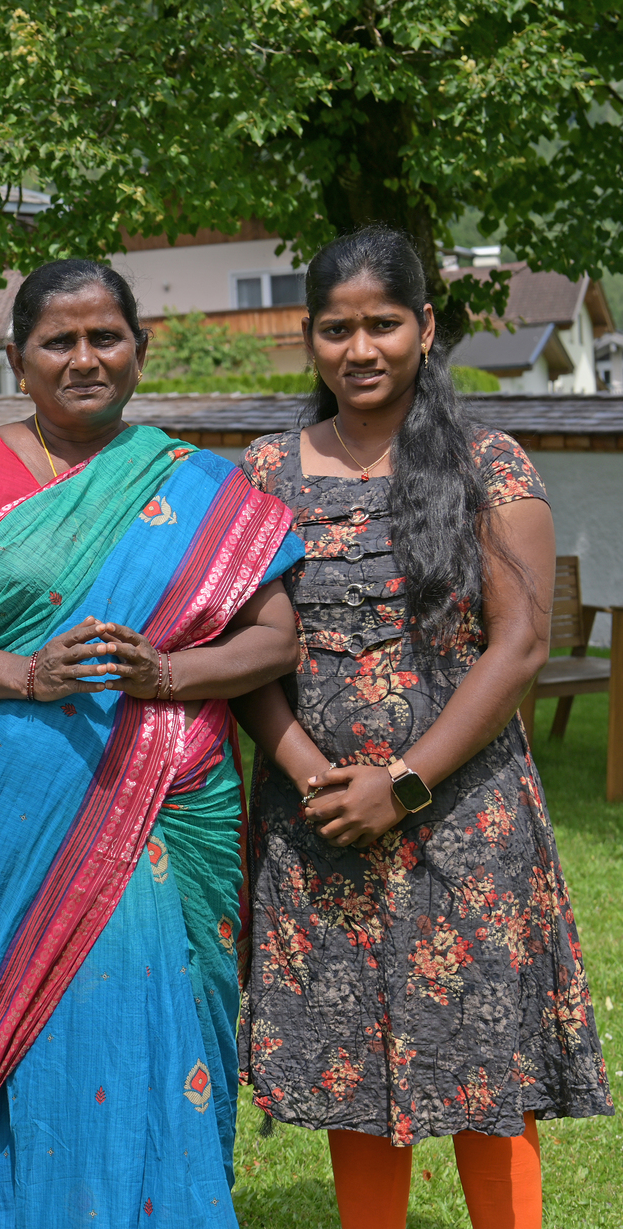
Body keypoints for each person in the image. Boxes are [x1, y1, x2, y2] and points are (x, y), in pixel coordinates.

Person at [0, 259, 304, 1225]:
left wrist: (166, 674)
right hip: (11, 800)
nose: (84, 359)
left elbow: (274, 638)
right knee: (26, 1028)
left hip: (167, 796)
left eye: (106, 337)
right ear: (17, 357)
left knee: (161, 1013)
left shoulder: (201, 485)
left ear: (138, 347)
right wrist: (26, 672)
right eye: (57, 341)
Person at [235, 225, 613, 1229]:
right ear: (308, 338)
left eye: (383, 324)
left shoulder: (490, 463)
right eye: (335, 328)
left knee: (488, 1070)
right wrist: (317, 778)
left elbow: (520, 643)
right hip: (317, 823)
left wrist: (401, 783)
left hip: (465, 821)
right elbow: (244, 647)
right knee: (346, 1060)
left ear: (426, 327)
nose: (359, 348)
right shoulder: (265, 473)